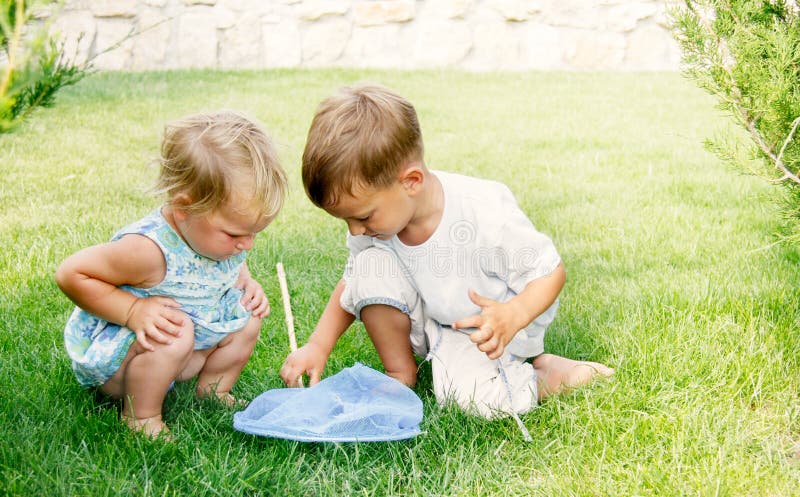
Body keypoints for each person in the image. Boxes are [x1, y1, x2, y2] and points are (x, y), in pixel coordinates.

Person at [280, 84, 613, 419]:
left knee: (469, 399)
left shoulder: (483, 212)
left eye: (363, 216)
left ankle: (544, 376)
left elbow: (550, 271)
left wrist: (513, 314)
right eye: (347, 220)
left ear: (410, 182)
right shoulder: (382, 225)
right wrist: (317, 346)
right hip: (434, 312)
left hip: (486, 327)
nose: (354, 229)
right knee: (368, 265)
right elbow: (353, 280)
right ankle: (400, 373)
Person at [56, 110, 288, 438]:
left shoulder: (215, 237)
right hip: (122, 363)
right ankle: (140, 416)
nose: (246, 244)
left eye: (254, 233)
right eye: (235, 235)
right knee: (177, 332)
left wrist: (246, 283)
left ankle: (213, 391)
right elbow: (71, 273)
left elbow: (231, 265)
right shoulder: (147, 251)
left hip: (182, 349)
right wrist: (133, 310)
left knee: (248, 317)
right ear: (184, 207)